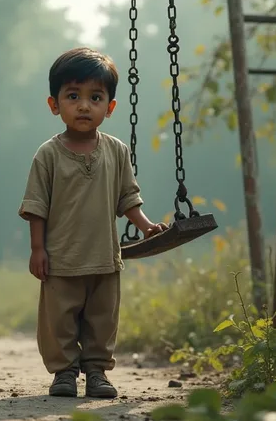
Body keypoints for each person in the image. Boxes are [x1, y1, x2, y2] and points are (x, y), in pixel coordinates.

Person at [18, 47, 168, 398]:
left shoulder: (116, 151)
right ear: (55, 104)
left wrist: (146, 226)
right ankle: (65, 373)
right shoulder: (48, 155)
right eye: (73, 96)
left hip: (104, 258)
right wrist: (37, 249)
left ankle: (97, 372)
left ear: (109, 107)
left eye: (95, 97)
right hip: (61, 259)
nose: (84, 105)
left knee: (102, 320)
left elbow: (127, 197)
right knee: (60, 322)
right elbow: (36, 206)